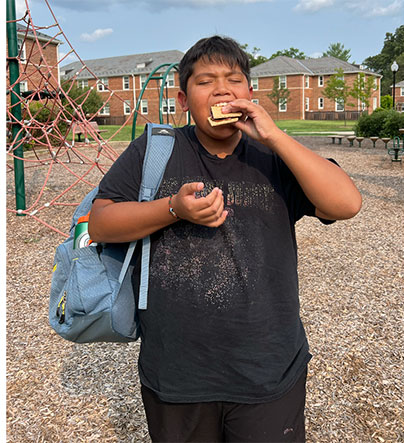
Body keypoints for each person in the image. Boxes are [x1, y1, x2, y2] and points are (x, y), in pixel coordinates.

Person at [88, 35, 361, 441]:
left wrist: (275, 136)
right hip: (177, 371)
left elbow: (346, 203)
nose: (221, 90)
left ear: (250, 93)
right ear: (182, 99)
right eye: (205, 81)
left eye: (234, 80)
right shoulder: (157, 149)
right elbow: (100, 223)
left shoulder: (276, 157)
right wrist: (173, 210)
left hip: (268, 368)